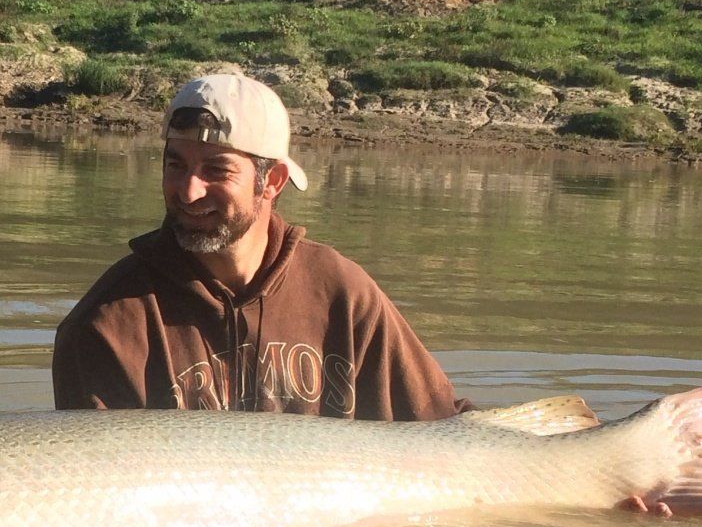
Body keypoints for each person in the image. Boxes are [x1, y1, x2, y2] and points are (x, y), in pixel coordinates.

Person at [53, 73, 464, 420]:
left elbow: (443, 426)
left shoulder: (343, 292)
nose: (188, 190)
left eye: (217, 169)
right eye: (175, 164)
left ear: (272, 181)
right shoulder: (108, 324)